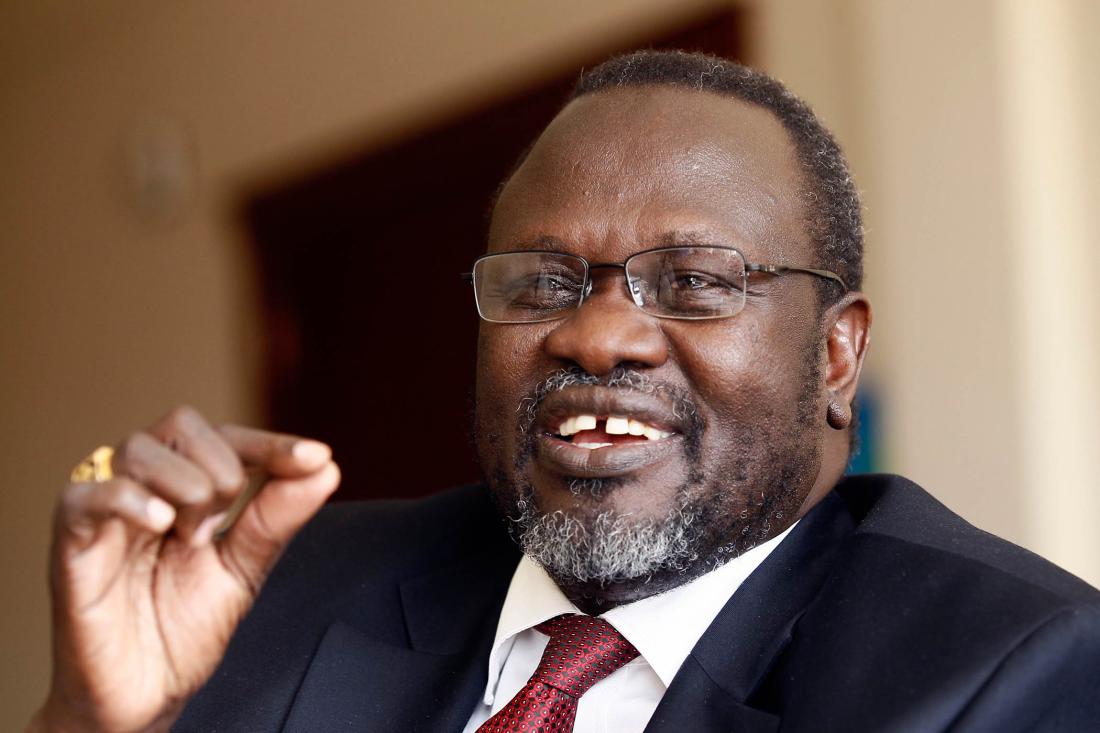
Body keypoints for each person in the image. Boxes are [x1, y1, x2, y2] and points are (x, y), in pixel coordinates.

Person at [28, 51, 1100, 733]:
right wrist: (97, 722)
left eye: (691, 282)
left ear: (832, 354)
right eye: (542, 283)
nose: (595, 334)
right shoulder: (282, 591)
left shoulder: (1006, 674)